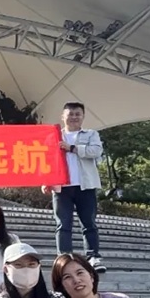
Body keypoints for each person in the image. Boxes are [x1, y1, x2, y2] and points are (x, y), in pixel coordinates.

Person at [44, 101, 106, 273]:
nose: (74, 117)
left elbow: (96, 151)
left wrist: (72, 148)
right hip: (61, 187)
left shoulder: (91, 134)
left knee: (89, 223)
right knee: (63, 224)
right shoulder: (54, 136)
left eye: (77, 114)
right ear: (63, 117)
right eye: (70, 114)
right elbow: (47, 159)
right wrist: (46, 181)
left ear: (83, 116)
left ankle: (93, 257)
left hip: (85, 185)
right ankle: (63, 258)